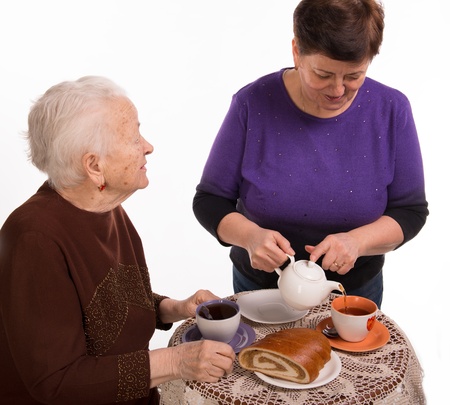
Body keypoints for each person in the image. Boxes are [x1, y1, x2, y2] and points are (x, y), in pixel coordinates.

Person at [0, 76, 235, 404]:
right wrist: (176, 361)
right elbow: (55, 382)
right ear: (94, 166)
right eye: (133, 137)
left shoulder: (104, 206)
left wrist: (174, 308)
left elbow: (105, 309)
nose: (148, 146)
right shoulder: (34, 239)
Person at [193, 0, 428, 308]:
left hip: (352, 294)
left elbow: (410, 211)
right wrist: (250, 236)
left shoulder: (392, 110)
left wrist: (357, 242)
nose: (338, 90)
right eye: (323, 74)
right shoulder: (251, 103)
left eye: (354, 76)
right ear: (296, 52)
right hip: (260, 289)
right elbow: (210, 200)